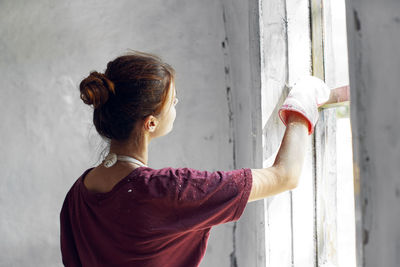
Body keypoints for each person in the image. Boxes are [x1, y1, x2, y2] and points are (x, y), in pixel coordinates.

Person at [60, 51, 330, 267]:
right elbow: (285, 176)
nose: (177, 103)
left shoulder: (76, 196)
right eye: (172, 102)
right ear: (151, 123)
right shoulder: (166, 190)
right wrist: (302, 103)